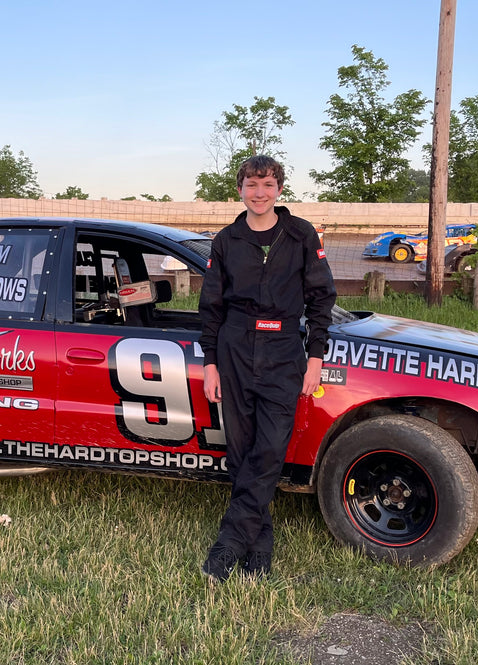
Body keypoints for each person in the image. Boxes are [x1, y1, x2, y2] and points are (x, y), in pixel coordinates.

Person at [198, 155, 337, 582]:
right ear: (239, 189)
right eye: (251, 184)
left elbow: (321, 299)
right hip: (235, 348)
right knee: (242, 453)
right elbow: (211, 308)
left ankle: (229, 543)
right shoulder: (226, 240)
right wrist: (211, 364)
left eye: (267, 184)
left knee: (271, 450)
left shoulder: (300, 235)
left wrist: (315, 356)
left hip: (283, 352)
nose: (259, 193)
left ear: (279, 189)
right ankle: (261, 544)